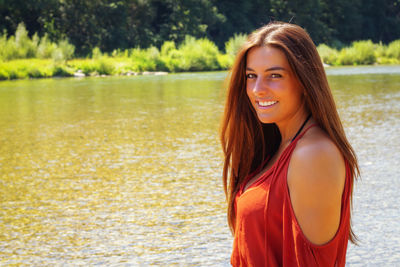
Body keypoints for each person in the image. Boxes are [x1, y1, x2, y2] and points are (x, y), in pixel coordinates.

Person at [220, 22, 359, 266]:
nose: (257, 89)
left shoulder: (313, 154)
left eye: (275, 75)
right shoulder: (277, 145)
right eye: (251, 76)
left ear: (304, 82)